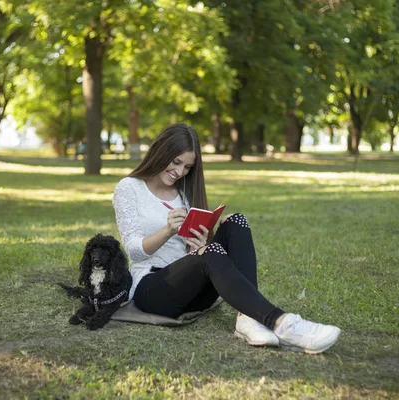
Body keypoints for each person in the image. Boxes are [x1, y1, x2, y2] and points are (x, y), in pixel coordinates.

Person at [112, 123, 341, 354]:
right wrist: (167, 231)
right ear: (161, 151)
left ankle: (247, 319)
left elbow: (194, 255)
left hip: (193, 290)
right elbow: (133, 251)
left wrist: (199, 246)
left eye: (187, 167)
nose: (180, 172)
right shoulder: (129, 188)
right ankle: (282, 323)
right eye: (176, 162)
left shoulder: (183, 192)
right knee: (209, 254)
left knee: (236, 221)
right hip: (153, 289)